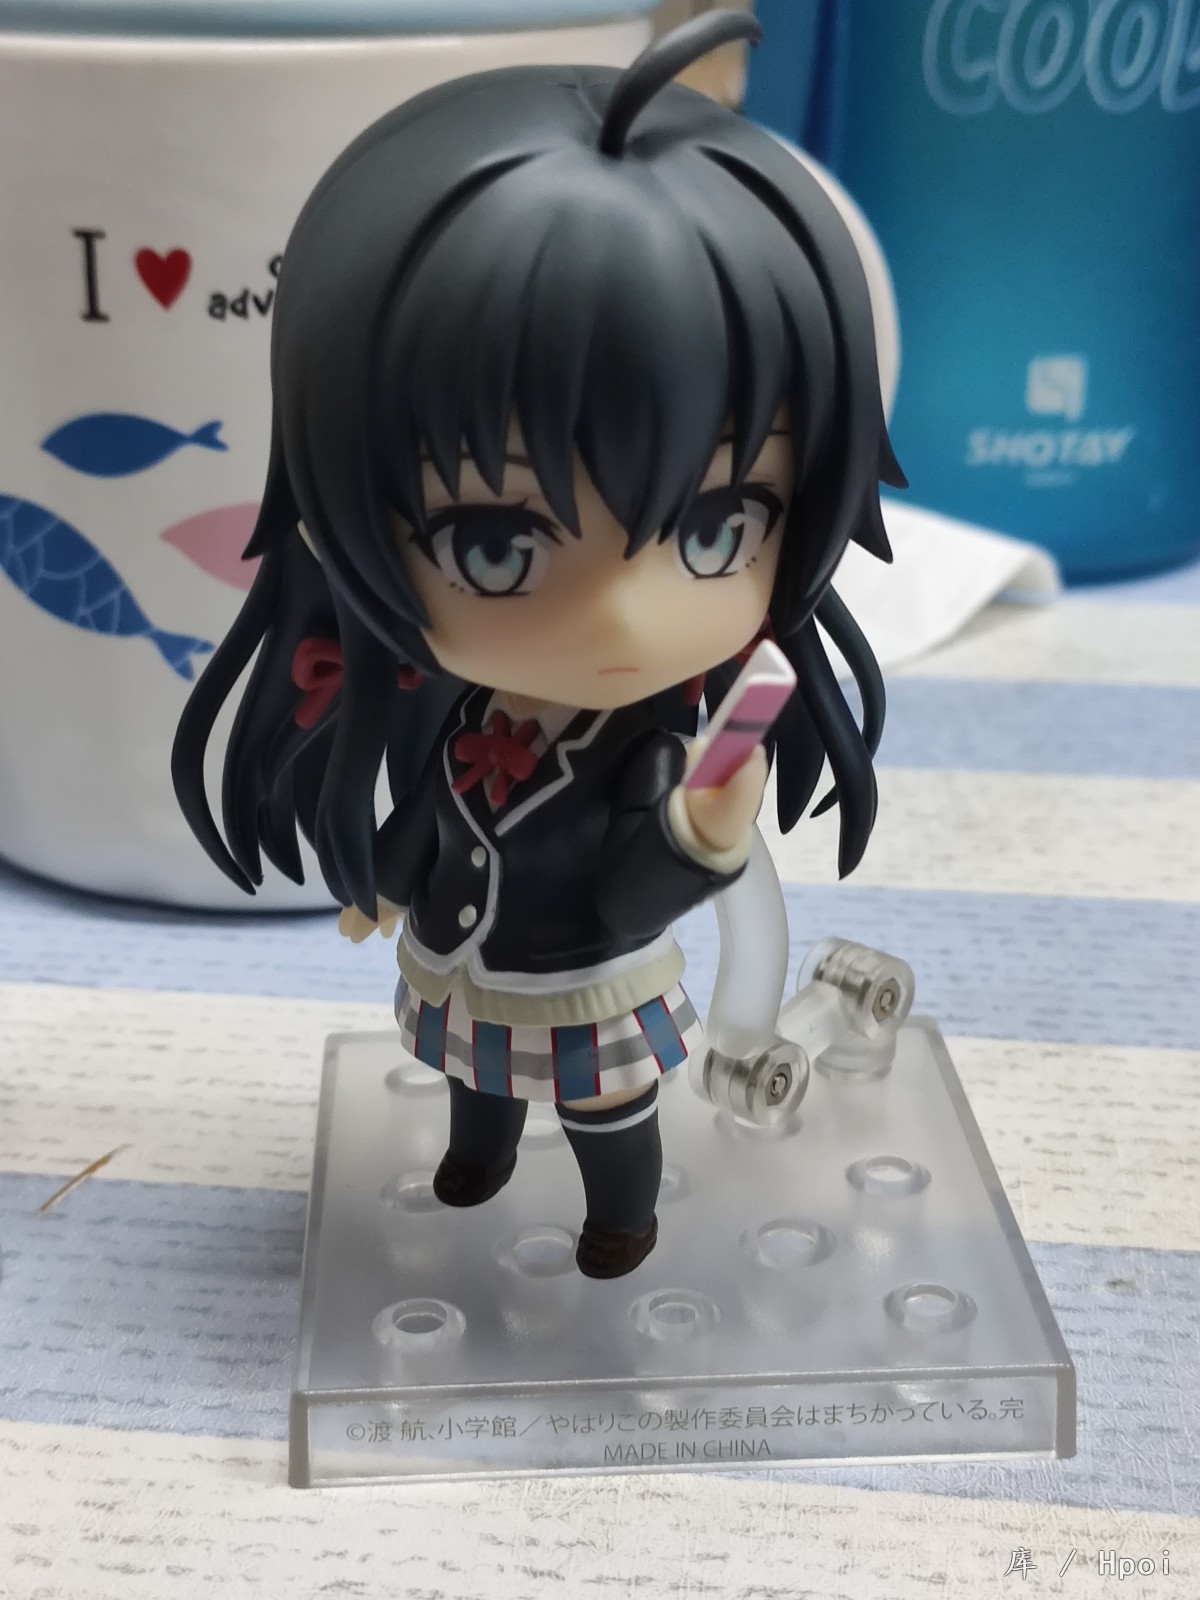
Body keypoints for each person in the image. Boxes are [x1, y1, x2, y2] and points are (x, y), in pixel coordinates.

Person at [172, 9, 903, 1278]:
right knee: (474, 1077)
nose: (620, 615)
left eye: (722, 525)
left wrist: (701, 833)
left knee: (607, 1110)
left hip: (584, 979)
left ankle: (622, 1213)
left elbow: (626, 892)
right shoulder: (464, 706)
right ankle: (480, 1155)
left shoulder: (658, 745)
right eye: (497, 544)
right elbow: (438, 806)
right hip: (469, 964)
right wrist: (385, 881)